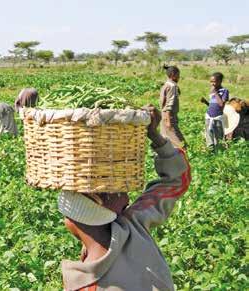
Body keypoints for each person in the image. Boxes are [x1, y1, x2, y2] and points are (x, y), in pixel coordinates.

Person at [58, 106, 191, 291]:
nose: (127, 195)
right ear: (99, 200)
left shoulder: (82, 284)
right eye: (117, 190)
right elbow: (177, 180)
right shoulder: (133, 225)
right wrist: (155, 136)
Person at [160, 65, 187, 149]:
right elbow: (169, 105)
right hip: (169, 117)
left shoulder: (166, 85)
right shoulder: (173, 87)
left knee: (166, 141)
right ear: (173, 75)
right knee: (181, 145)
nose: (179, 77)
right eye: (178, 75)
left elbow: (163, 102)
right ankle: (185, 158)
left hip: (163, 116)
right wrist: (168, 122)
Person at [201, 72, 229, 150]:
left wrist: (215, 92)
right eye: (211, 81)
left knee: (218, 138)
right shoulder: (212, 91)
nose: (212, 83)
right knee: (209, 137)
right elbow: (212, 105)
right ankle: (210, 152)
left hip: (218, 118)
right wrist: (205, 102)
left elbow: (221, 105)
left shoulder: (224, 91)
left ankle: (219, 153)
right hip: (209, 116)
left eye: (214, 81)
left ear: (220, 81)